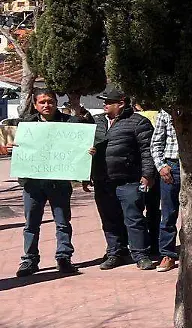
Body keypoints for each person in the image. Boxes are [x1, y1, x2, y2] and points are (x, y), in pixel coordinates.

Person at [6, 90, 88, 277]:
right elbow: (11, 144)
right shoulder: (25, 125)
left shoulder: (71, 124)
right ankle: (29, 260)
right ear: (35, 105)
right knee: (31, 224)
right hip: (32, 183)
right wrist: (12, 147)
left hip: (59, 182)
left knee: (62, 222)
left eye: (50, 101)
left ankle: (64, 257)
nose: (46, 105)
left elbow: (82, 146)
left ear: (56, 103)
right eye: (42, 102)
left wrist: (87, 150)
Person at [91, 86, 157, 271]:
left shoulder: (138, 122)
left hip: (129, 180)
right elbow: (83, 148)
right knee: (109, 219)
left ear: (121, 103)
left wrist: (147, 174)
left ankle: (141, 255)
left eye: (109, 102)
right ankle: (115, 253)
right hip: (103, 180)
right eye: (104, 101)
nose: (104, 104)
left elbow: (147, 151)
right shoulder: (96, 123)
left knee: (133, 218)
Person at [149, 109, 182, 272]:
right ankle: (168, 254)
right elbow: (156, 143)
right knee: (168, 213)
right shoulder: (165, 113)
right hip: (172, 166)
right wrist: (161, 166)